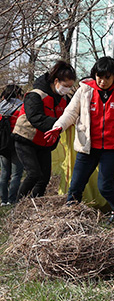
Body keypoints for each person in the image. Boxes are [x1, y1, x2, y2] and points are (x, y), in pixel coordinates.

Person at [47, 58, 114, 223]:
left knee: (105, 186)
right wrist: (58, 126)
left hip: (111, 149)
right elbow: (70, 113)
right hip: (87, 147)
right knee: (76, 186)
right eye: (99, 77)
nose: (102, 81)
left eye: (107, 77)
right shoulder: (84, 90)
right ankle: (69, 220)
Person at [14, 60, 77, 198]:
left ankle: (36, 202)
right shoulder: (35, 95)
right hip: (26, 139)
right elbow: (35, 117)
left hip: (45, 142)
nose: (67, 89)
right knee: (34, 173)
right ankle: (19, 203)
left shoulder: (64, 99)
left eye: (70, 87)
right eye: (66, 86)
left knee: (44, 177)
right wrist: (59, 124)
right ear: (56, 81)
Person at [0, 85, 24, 205]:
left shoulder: (1, 107)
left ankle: (3, 200)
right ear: (18, 94)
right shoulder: (21, 107)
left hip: (3, 144)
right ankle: (12, 200)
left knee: (4, 173)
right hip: (16, 143)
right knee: (16, 174)